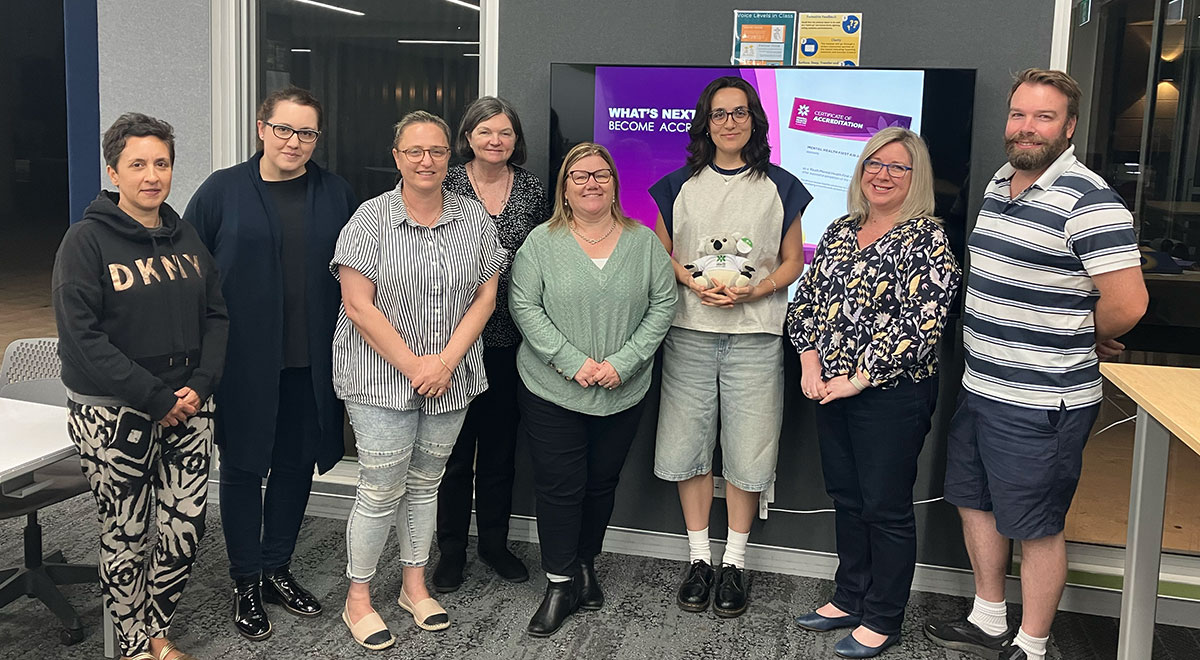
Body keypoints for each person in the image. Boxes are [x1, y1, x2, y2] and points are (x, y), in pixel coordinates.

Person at [924, 69, 1147, 660]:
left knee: (1036, 523)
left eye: (1043, 117)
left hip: (1042, 401)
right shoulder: (1001, 183)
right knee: (975, 501)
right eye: (1019, 114)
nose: (1027, 127)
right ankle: (989, 617)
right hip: (982, 388)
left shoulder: (1089, 199)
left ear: (1068, 127)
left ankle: (1033, 642)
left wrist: (1076, 330)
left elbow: (1127, 305)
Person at [53, 113, 228, 660]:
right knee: (125, 533)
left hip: (190, 406)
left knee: (184, 527)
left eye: (162, 163)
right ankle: (134, 644)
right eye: (138, 164)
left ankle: (155, 625)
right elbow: (81, 338)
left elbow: (217, 316)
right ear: (114, 170)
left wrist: (198, 387)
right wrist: (155, 399)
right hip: (115, 414)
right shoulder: (85, 241)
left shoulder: (186, 235)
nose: (152, 175)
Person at [185, 86, 357, 641]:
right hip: (243, 363)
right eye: (283, 129)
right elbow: (192, 279)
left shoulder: (335, 193)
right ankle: (244, 580)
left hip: (311, 363)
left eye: (306, 132)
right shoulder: (221, 192)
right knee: (242, 469)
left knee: (293, 467)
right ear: (261, 127)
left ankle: (277, 566)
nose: (294, 142)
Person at [331, 110, 503, 649]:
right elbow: (357, 306)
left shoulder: (475, 220)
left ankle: (413, 584)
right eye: (415, 152)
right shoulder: (369, 218)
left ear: (450, 157)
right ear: (397, 157)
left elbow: (486, 299)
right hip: (378, 375)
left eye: (436, 151)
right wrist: (415, 364)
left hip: (451, 374)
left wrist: (445, 362)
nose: (426, 161)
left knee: (426, 484)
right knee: (381, 488)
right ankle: (357, 598)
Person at [787, 127, 961, 659]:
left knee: (885, 508)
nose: (882, 175)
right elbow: (808, 302)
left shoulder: (928, 239)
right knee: (846, 498)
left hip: (890, 395)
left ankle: (884, 616)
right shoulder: (841, 230)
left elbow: (923, 326)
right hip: (830, 390)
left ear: (917, 179)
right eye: (873, 165)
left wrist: (857, 379)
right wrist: (809, 361)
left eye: (897, 168)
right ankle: (850, 595)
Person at [649, 76, 811, 618]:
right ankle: (698, 558)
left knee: (750, 448)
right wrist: (691, 284)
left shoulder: (781, 186)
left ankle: (734, 562)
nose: (730, 122)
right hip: (689, 331)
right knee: (687, 445)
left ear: (755, 121)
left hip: (756, 336)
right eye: (719, 114)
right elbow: (661, 255)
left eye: (740, 112)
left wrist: (757, 289)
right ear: (706, 123)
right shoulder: (677, 186)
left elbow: (792, 261)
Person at [509, 142, 677, 637]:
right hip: (551, 389)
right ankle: (560, 583)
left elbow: (663, 306)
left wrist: (622, 364)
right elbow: (524, 305)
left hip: (622, 390)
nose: (591, 184)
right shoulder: (541, 242)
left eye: (601, 175)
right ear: (565, 186)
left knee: (601, 484)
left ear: (614, 184)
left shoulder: (643, 242)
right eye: (579, 176)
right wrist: (572, 362)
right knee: (561, 488)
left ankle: (585, 564)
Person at [433, 96, 548, 592]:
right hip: (452, 341)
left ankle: (494, 545)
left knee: (501, 453)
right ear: (468, 137)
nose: (495, 141)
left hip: (510, 342)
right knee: (454, 454)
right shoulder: (446, 183)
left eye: (504, 133)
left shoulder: (533, 189)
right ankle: (452, 551)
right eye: (485, 132)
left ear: (515, 140)